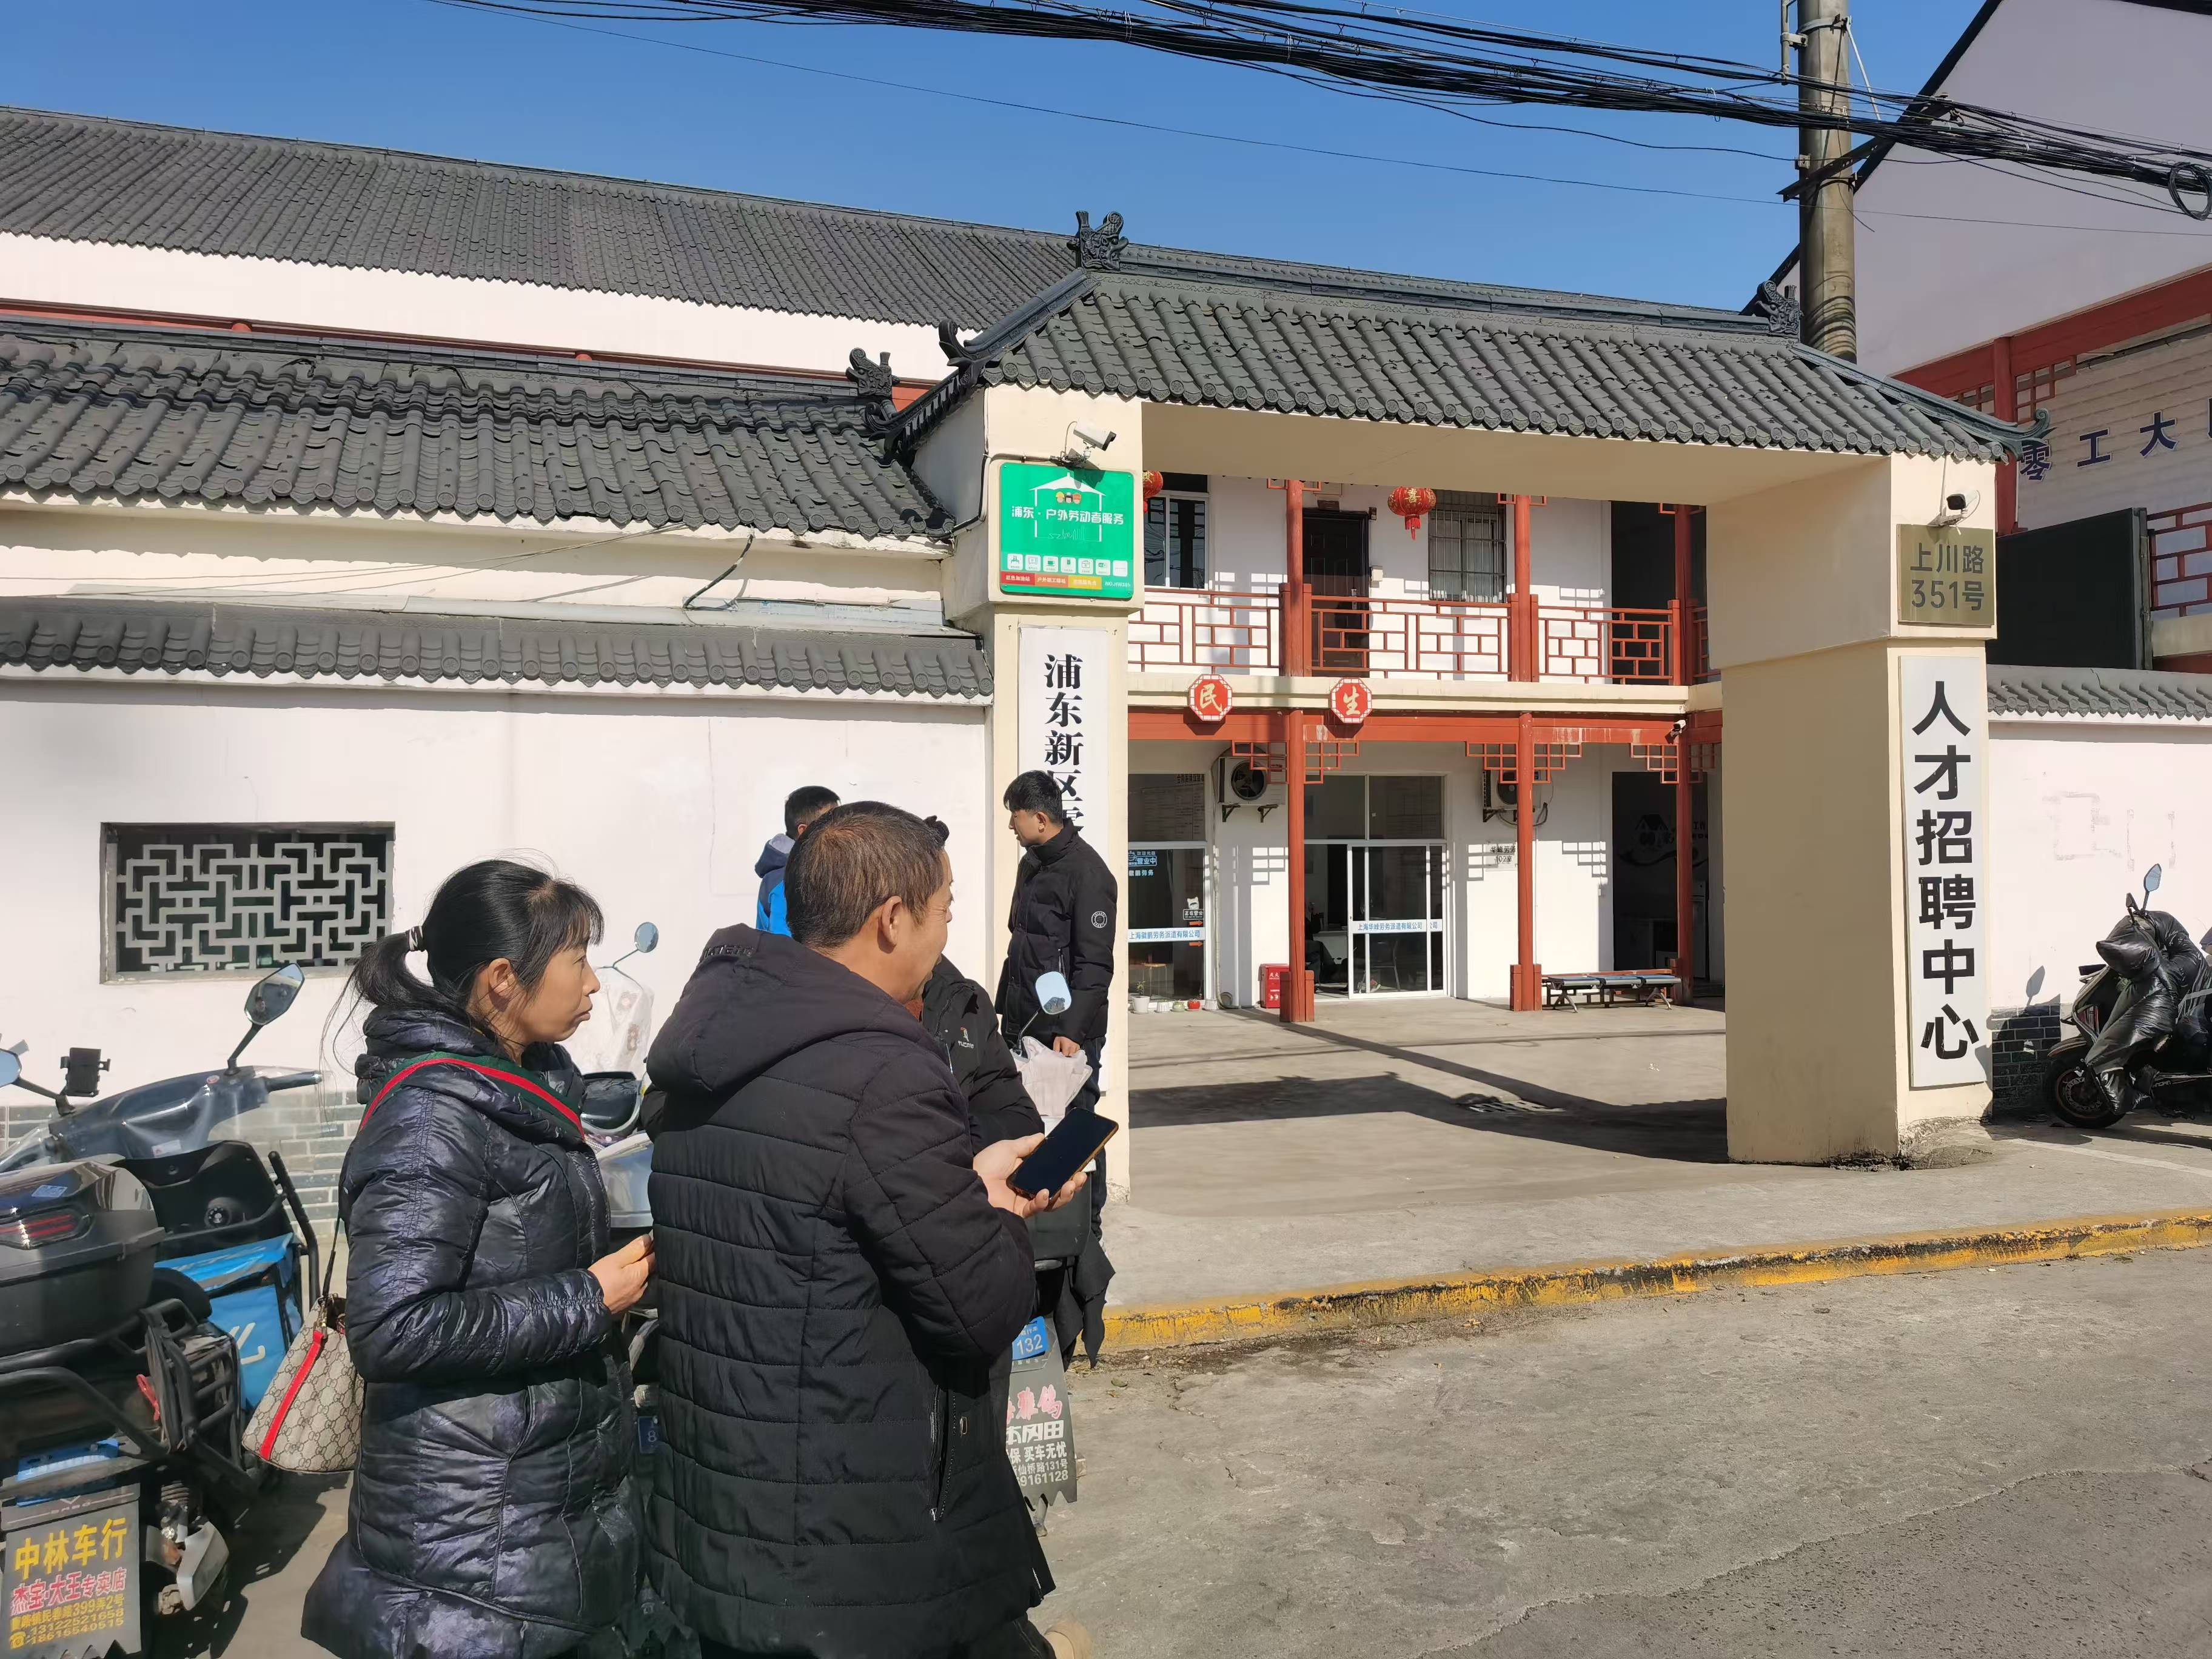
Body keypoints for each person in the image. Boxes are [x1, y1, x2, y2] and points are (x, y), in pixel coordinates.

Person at [644, 802, 1091, 1659]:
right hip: (851, 1535)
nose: (948, 929)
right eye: (946, 908)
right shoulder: (882, 1070)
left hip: (728, 1512)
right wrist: (999, 1210)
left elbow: (821, 1227)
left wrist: (963, 1185)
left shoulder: (709, 1045)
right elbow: (979, 1305)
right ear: (892, 920)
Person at [303, 859, 653, 1659]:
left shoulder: (521, 1086)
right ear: (502, 979)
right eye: (577, 960)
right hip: (468, 1549)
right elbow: (394, 1328)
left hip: (530, 1514)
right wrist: (587, 1298)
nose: (593, 984)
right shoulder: (435, 1115)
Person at [756, 783, 840, 936]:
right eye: (831, 822)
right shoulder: (785, 881)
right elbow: (783, 944)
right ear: (804, 831)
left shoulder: (819, 868)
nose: (841, 828)